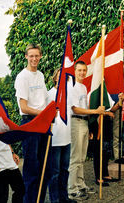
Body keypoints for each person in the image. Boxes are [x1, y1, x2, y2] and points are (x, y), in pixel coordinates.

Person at [14, 43, 51, 203]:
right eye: (31, 56)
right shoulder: (23, 77)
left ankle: (39, 200)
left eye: (37, 55)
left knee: (44, 168)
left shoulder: (41, 75)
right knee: (31, 168)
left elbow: (43, 100)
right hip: (30, 124)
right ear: (26, 57)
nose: (34, 58)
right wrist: (44, 114)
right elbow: (24, 107)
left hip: (44, 124)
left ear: (41, 56)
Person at [68, 61, 106, 201]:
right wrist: (95, 111)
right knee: (75, 157)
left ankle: (80, 184)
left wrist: (89, 127)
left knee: (82, 157)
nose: (82, 73)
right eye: (79, 70)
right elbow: (75, 109)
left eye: (84, 70)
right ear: (74, 71)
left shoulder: (84, 87)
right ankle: (71, 189)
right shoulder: (71, 87)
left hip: (83, 123)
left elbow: (84, 107)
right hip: (75, 121)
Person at [47, 69, 76, 203]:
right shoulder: (49, 94)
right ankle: (55, 199)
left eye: (65, 77)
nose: (62, 79)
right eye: (60, 77)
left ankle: (64, 197)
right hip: (54, 139)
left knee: (65, 170)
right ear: (55, 78)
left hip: (66, 138)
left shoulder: (69, 95)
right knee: (54, 172)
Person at [90, 93, 124, 185]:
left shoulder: (106, 93)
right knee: (98, 150)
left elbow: (112, 109)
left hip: (106, 122)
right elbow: (92, 109)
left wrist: (120, 101)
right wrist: (106, 113)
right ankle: (99, 177)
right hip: (97, 122)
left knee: (105, 150)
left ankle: (105, 174)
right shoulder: (94, 92)